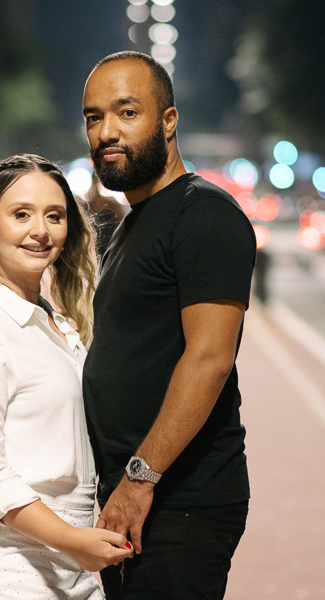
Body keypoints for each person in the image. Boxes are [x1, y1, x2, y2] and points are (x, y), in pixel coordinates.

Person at [81, 52, 257, 599]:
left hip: (179, 501)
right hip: (137, 499)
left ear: (169, 121)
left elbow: (209, 358)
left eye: (126, 112)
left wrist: (139, 479)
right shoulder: (135, 224)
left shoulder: (204, 215)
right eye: (93, 117)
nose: (107, 131)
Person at [0, 154, 133, 599]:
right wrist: (75, 541)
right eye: (21, 214)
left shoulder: (56, 321)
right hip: (3, 568)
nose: (39, 230)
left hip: (66, 563)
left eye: (54, 216)